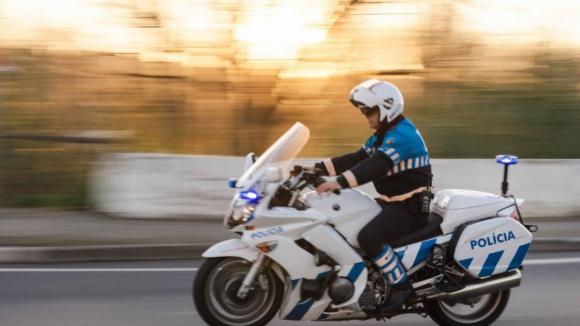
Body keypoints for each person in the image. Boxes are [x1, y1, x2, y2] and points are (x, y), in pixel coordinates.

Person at [305, 79, 433, 313]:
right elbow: (356, 158)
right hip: (392, 203)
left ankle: (402, 287)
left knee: (369, 237)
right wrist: (316, 169)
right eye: (363, 111)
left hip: (411, 208)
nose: (365, 115)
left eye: (369, 110)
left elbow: (376, 166)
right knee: (346, 223)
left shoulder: (403, 136)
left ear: (386, 107)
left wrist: (338, 183)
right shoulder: (382, 135)